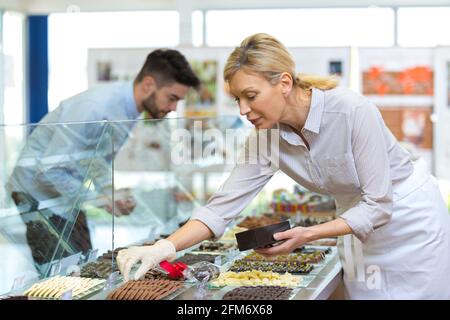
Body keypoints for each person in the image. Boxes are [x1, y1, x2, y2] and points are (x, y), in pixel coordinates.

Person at [117, 34, 450, 299]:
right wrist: (163, 247)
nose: (244, 110)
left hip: (409, 220)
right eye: (237, 99)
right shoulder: (265, 136)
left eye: (251, 95)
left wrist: (308, 234)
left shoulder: (350, 111)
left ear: (285, 83)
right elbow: (221, 208)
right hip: (354, 225)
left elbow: (379, 205)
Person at [6, 49, 200, 267]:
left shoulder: (129, 110)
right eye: (171, 98)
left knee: (86, 265)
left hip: (63, 191)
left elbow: (96, 159)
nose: (173, 108)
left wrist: (109, 193)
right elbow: (50, 170)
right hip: (35, 192)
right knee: (64, 273)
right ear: (148, 84)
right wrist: (101, 199)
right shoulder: (97, 107)